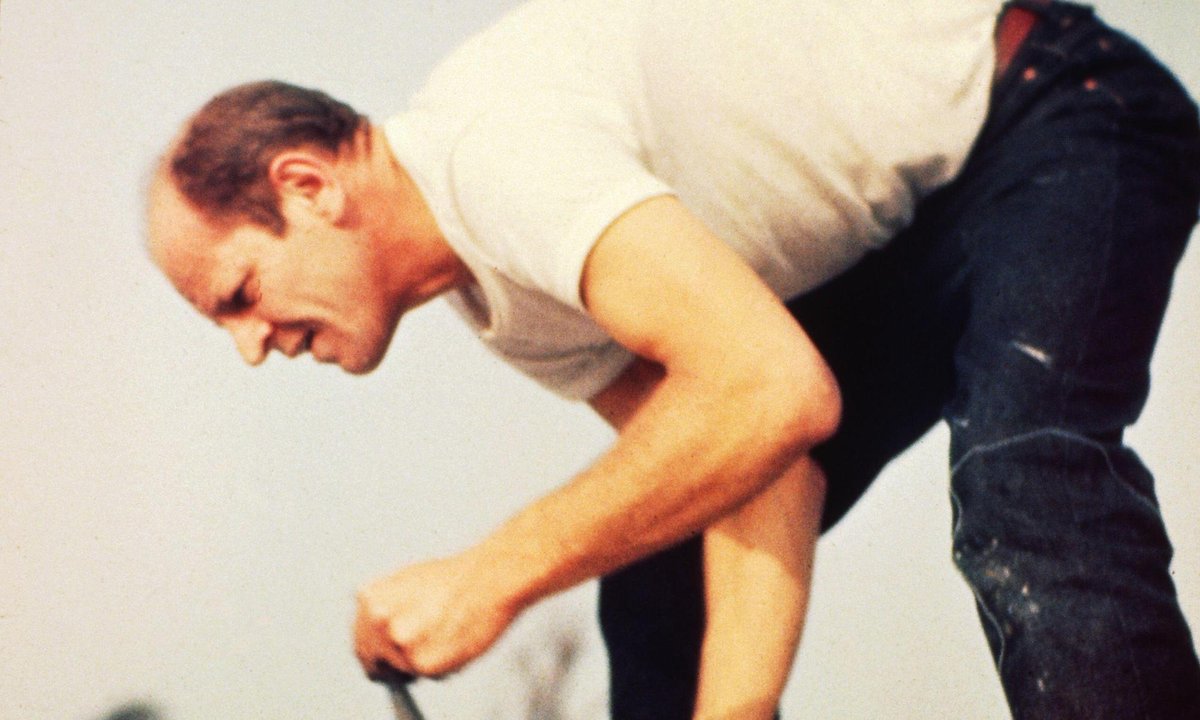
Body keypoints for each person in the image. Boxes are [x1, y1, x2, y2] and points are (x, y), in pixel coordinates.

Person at [144, 0, 1200, 717]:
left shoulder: (495, 155)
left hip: (1057, 107)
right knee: (661, 565)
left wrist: (489, 577)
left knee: (1025, 474)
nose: (251, 346)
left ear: (308, 187)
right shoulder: (504, 302)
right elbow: (764, 466)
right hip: (925, 221)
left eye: (239, 295)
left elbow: (772, 393)